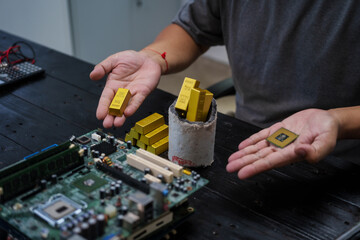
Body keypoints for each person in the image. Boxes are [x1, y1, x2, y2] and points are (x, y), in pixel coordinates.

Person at [90, 0, 360, 180]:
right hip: (245, 138)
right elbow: (191, 29)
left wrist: (338, 120)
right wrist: (153, 56)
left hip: (341, 158)